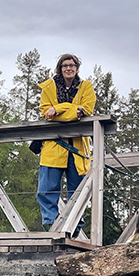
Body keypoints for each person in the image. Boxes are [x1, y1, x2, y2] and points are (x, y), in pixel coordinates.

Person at [36, 53, 97, 229]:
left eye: (71, 65)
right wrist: (71, 111)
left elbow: (86, 110)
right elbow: (46, 113)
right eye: (65, 66)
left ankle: (74, 226)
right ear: (60, 68)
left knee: (78, 189)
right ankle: (50, 224)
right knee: (47, 187)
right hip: (53, 145)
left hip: (78, 146)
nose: (68, 68)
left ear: (77, 68)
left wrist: (58, 109)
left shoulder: (86, 87)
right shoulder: (48, 87)